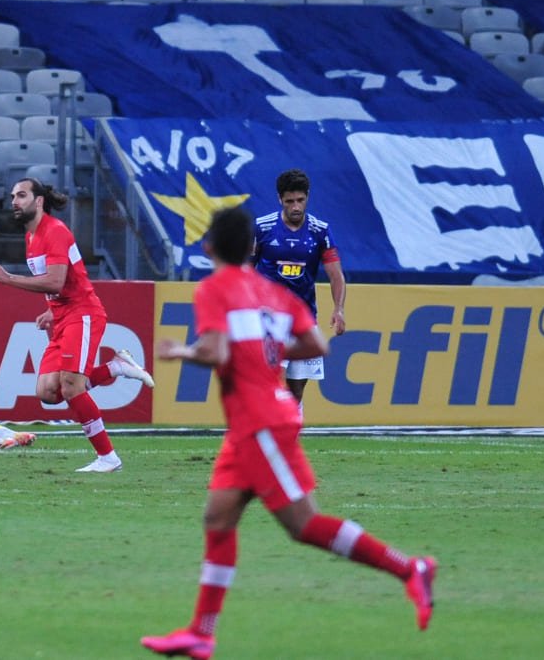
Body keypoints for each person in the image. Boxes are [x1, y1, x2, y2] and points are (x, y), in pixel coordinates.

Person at [141, 207, 436, 660]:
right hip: (253, 423)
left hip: (260, 421)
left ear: (209, 248)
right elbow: (317, 344)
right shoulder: (273, 294)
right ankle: (201, 632)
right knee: (218, 518)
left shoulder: (214, 289)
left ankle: (409, 568)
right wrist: (269, 351)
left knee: (303, 524)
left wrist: (182, 350)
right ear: (252, 249)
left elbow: (216, 349)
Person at [0, 178, 154, 473]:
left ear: (38, 201)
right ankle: (114, 368)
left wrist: (7, 278)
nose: (14, 201)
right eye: (12, 196)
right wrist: (51, 310)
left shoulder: (55, 232)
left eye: (21, 196)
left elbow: (56, 281)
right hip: (63, 316)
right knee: (48, 392)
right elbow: (59, 284)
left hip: (82, 313)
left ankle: (108, 458)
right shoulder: (32, 236)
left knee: (72, 387)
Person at [251, 168, 345, 405]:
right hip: (268, 319)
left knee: (297, 390)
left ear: (307, 197)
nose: (295, 206)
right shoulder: (261, 228)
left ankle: (289, 435)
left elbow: (336, 275)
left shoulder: (320, 231)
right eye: (289, 201)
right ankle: (264, 433)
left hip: (303, 318)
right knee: (267, 381)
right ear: (280, 199)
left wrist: (339, 309)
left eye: (300, 200)